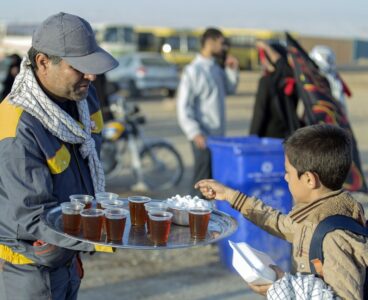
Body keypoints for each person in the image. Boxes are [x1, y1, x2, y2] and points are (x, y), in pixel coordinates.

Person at [0, 12, 118, 300]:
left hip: (67, 258)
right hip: (29, 272)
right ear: (42, 62)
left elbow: (89, 165)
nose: (91, 76)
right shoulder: (17, 125)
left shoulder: (83, 98)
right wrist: (103, 235)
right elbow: (30, 217)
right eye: (80, 67)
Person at [195, 124, 367, 300]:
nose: (285, 178)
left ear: (309, 179)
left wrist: (281, 286)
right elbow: (279, 223)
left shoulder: (332, 237)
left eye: (288, 172)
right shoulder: (317, 215)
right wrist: (229, 195)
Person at [177, 28, 239, 195]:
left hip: (218, 136)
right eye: (221, 42)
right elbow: (183, 106)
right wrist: (194, 132)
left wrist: (232, 70)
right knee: (201, 182)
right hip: (202, 137)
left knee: (212, 184)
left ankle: (208, 219)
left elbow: (230, 89)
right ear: (210, 42)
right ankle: (191, 218)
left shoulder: (216, 69)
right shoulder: (193, 70)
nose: (224, 47)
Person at [249, 40, 300, 138]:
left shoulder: (266, 81)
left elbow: (259, 113)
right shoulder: (293, 79)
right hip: (289, 137)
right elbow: (282, 65)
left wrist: (252, 138)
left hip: (268, 138)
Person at [309, 45, 352, 115]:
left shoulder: (334, 79)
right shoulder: (310, 76)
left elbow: (339, 100)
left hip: (332, 114)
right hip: (316, 113)